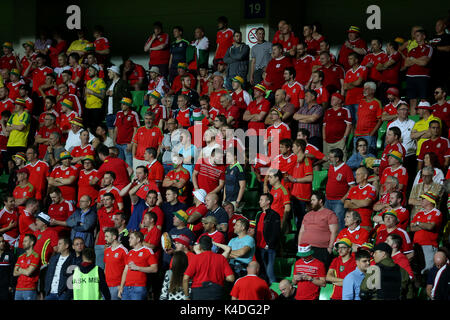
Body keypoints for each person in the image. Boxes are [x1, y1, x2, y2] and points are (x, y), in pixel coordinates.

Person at [183, 235, 235, 300]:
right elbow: (231, 278)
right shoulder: (221, 258)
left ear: (200, 246)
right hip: (216, 292)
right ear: (211, 245)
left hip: (198, 292)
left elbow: (185, 279)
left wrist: (187, 296)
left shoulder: (196, 258)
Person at [298, 191, 338, 269]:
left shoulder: (329, 214)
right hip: (305, 248)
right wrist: (299, 247)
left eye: (313, 200)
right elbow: (301, 231)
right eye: (311, 200)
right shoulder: (307, 215)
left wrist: (330, 247)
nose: (311, 202)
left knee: (319, 273)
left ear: (320, 201)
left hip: (321, 249)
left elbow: (334, 232)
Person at [118, 231, 158, 300]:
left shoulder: (147, 251)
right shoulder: (130, 252)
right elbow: (125, 271)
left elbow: (154, 269)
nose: (129, 239)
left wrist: (138, 268)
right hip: (127, 288)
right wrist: (121, 287)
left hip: (138, 287)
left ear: (138, 239)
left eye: (131, 238)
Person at [410, 191, 443, 274]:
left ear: (429, 200)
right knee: (416, 269)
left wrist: (418, 223)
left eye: (423, 199)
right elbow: (411, 228)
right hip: (417, 245)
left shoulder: (436, 212)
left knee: (427, 270)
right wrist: (424, 225)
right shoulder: (419, 213)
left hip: (428, 245)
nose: (421, 200)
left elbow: (430, 227)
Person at [403, 28, 433, 115]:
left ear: (424, 36)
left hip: (422, 77)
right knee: (412, 100)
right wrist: (417, 60)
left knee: (424, 100)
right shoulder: (412, 50)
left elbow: (424, 62)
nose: (415, 37)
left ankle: (425, 121)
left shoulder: (428, 47)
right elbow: (406, 63)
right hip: (410, 77)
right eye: (415, 36)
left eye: (418, 35)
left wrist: (412, 59)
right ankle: (413, 121)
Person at [325, 148, 355, 230]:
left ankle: (339, 241)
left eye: (331, 157)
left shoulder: (346, 169)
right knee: (327, 222)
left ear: (337, 159)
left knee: (339, 223)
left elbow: (352, 186)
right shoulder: (331, 167)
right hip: (328, 200)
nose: (329, 159)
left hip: (338, 202)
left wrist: (343, 199)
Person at [344, 166, 377, 231]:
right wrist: (361, 204)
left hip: (364, 223)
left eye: (358, 174)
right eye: (356, 174)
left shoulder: (371, 188)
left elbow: (367, 203)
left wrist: (353, 201)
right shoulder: (353, 189)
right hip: (351, 224)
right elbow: (346, 204)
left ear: (365, 176)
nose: (356, 177)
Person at [323, 93, 352, 162]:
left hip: (340, 140)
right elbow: (324, 126)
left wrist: (344, 137)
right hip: (327, 141)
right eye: (331, 99)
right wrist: (324, 138)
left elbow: (349, 125)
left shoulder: (345, 110)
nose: (331, 100)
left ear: (339, 101)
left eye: (334, 99)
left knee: (341, 159)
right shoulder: (328, 111)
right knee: (327, 160)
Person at [104, 227, 128, 300]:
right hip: (106, 286)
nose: (105, 238)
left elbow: (127, 270)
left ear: (114, 237)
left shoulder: (123, 250)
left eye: (107, 236)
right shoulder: (107, 250)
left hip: (116, 286)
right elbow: (105, 268)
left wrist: (121, 286)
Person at [13, 234, 40, 300]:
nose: (23, 243)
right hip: (18, 288)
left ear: (32, 243)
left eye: (25, 241)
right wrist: (25, 270)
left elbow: (28, 273)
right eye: (23, 241)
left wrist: (19, 269)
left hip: (29, 289)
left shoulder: (36, 256)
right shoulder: (21, 256)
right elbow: (14, 273)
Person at [0, 234, 14, 300]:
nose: (2, 243)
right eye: (0, 242)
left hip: (5, 287)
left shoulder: (10, 255)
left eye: (3, 241)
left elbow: (12, 272)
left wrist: (11, 285)